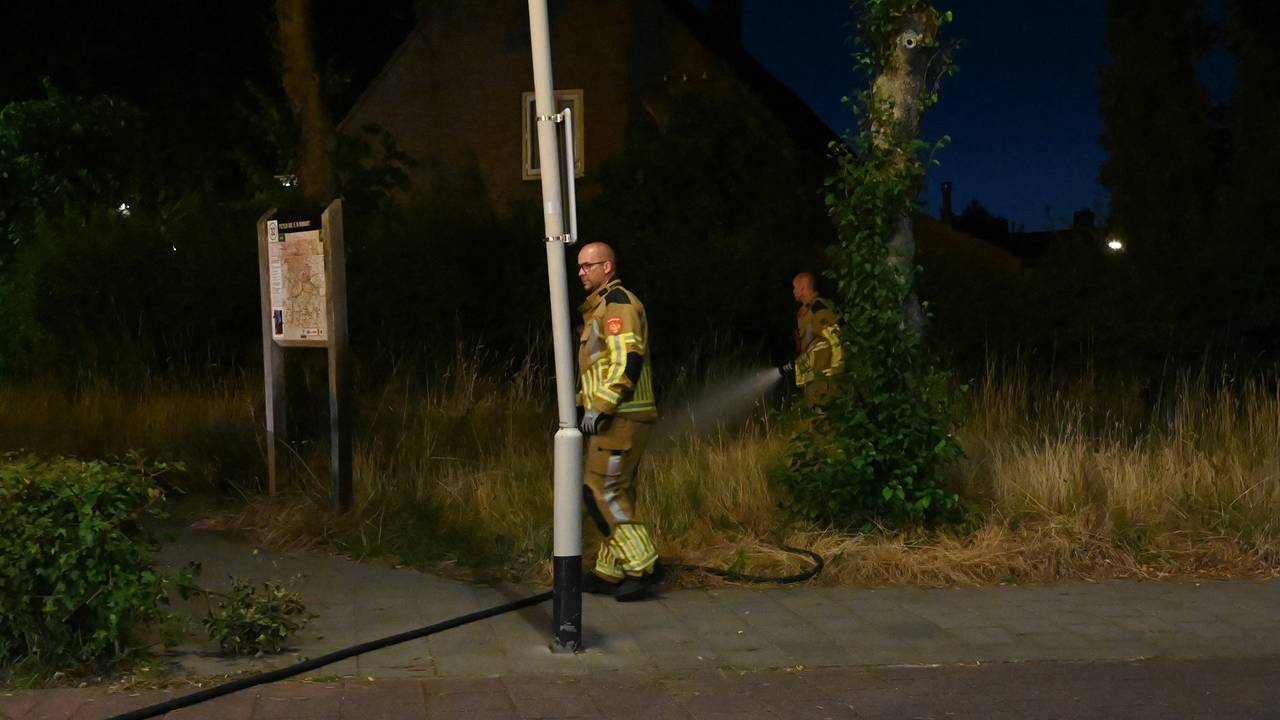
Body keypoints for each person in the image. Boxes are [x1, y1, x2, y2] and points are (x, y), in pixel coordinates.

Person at [574, 241, 663, 601]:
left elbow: (627, 359)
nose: (581, 272)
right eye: (580, 267)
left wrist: (601, 407)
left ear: (607, 267)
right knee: (617, 490)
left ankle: (643, 566)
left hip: (619, 416)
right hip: (619, 415)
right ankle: (611, 570)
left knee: (600, 490)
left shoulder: (617, 305)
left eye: (588, 266)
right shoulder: (603, 306)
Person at [789, 271, 844, 406]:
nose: (793, 291)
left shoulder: (818, 307)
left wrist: (837, 368)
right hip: (812, 378)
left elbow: (834, 338)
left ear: (802, 287)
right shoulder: (804, 313)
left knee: (823, 414)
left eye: (795, 287)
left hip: (824, 377)